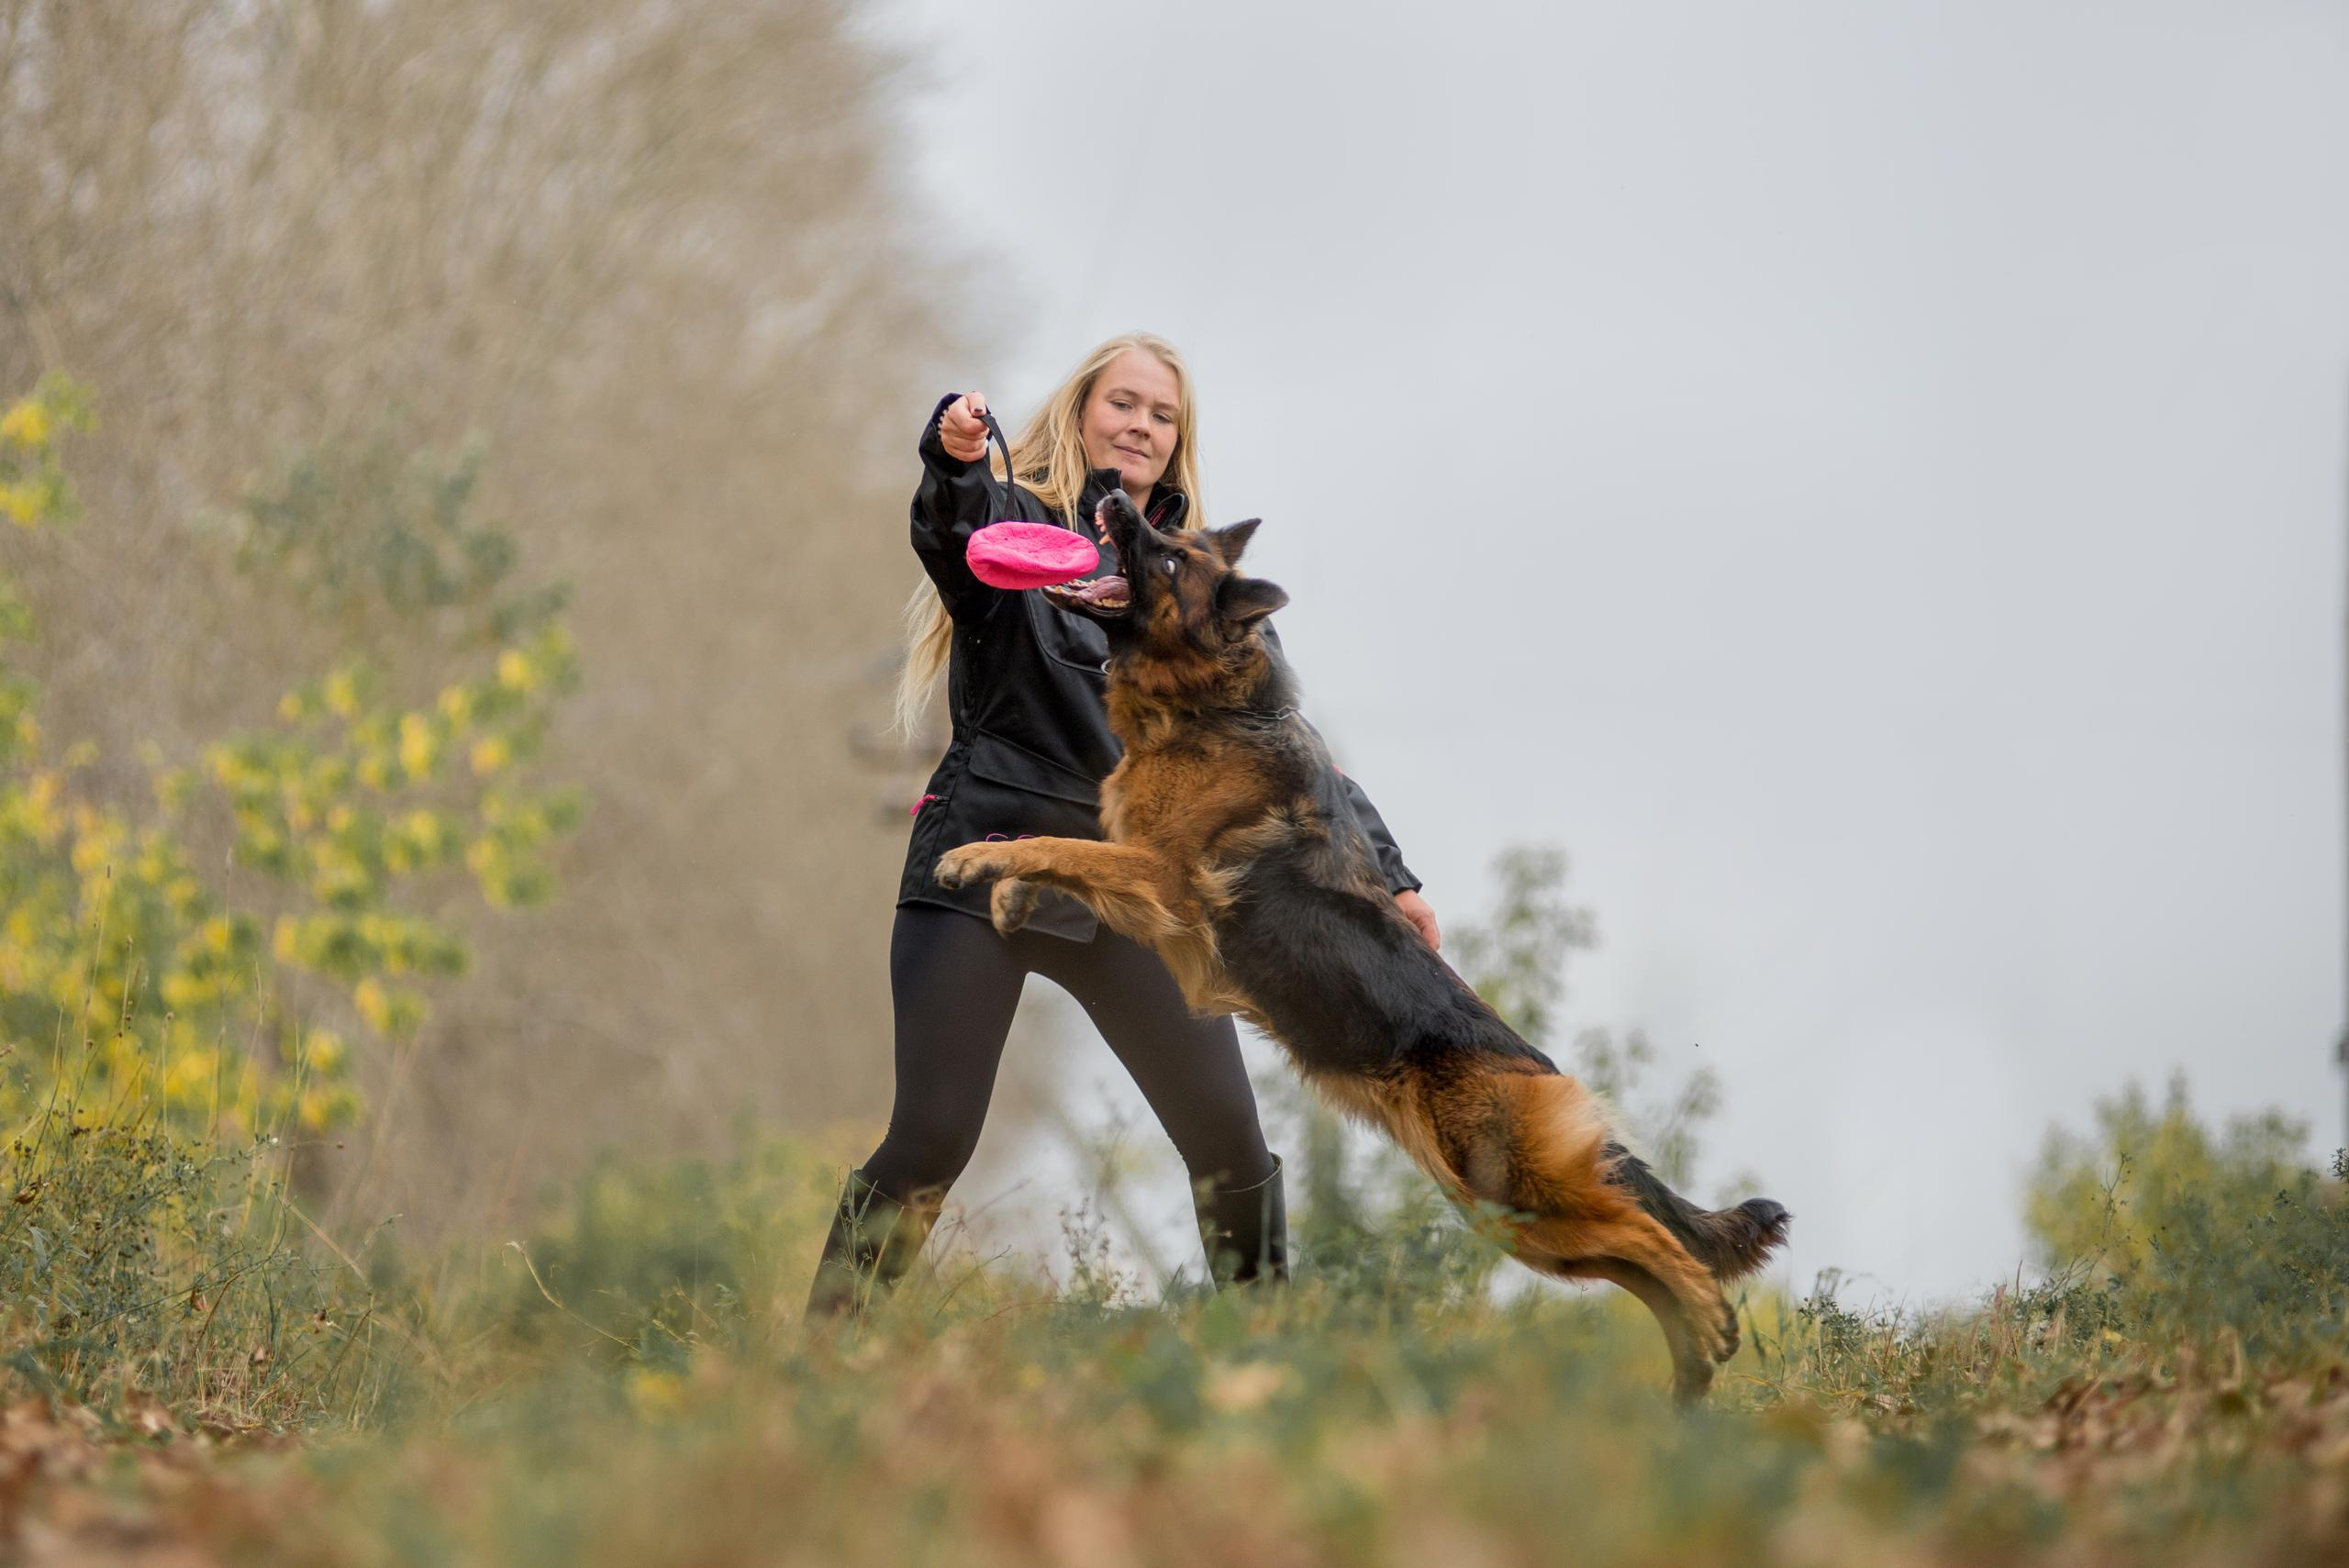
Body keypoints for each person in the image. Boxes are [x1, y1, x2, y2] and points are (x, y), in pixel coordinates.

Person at [804, 331, 1439, 1320]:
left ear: (1178, 438)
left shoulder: (1202, 586)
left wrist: (1391, 876)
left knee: (1229, 1143)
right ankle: (821, 1361)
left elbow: (1287, 743)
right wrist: (955, 456)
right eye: (1124, 402)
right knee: (931, 1136)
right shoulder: (1017, 523)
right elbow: (952, 526)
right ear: (1082, 409)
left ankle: (1264, 1365)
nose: (1141, 425)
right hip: (986, 860)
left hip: (1131, 890)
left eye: (1163, 413)